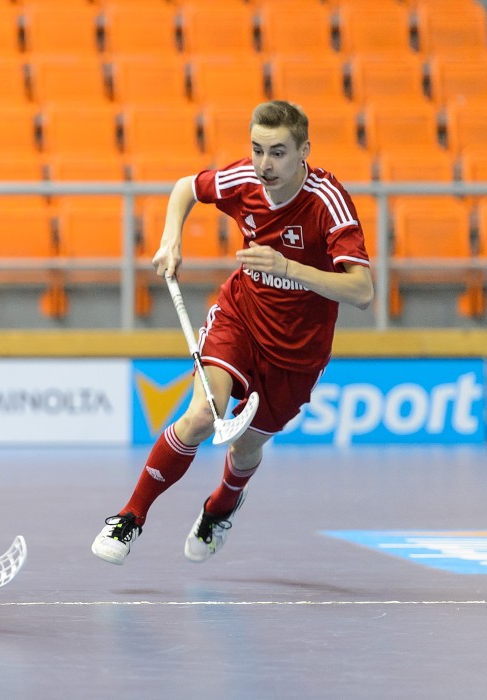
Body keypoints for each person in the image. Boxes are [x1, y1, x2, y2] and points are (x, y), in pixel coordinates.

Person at [92, 100, 374, 566]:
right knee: (204, 414)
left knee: (245, 450)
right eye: (258, 149)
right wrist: (171, 238)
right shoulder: (244, 180)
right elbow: (187, 187)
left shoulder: (328, 202)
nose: (265, 164)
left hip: (298, 352)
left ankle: (220, 506)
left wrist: (288, 267)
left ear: (304, 150)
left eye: (279, 152)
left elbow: (362, 290)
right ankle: (130, 516)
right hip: (240, 318)